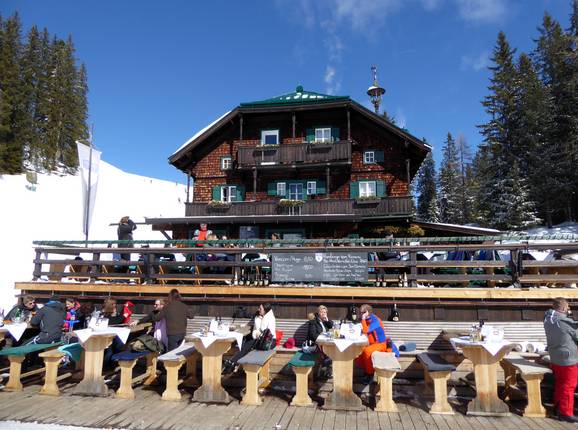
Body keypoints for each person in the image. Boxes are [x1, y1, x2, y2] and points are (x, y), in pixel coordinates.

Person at [544, 298, 578, 423]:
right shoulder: (564, 322)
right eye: (567, 307)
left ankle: (558, 408)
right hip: (568, 358)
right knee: (569, 385)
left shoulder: (548, 319)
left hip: (555, 357)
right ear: (564, 308)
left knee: (560, 383)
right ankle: (566, 413)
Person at [223, 303, 276, 374]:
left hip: (269, 341)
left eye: (260, 309)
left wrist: (258, 333)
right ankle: (233, 363)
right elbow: (255, 329)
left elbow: (268, 333)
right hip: (259, 339)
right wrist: (256, 333)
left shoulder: (270, 318)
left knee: (248, 345)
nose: (258, 309)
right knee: (247, 344)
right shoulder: (257, 317)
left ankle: (233, 363)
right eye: (259, 308)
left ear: (265, 310)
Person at [355, 304, 389, 380]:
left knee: (367, 351)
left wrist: (363, 319)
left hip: (380, 344)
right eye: (360, 312)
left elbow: (365, 330)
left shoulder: (375, 320)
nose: (361, 314)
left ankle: (370, 374)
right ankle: (365, 371)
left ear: (367, 312)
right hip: (370, 343)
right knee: (358, 351)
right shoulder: (365, 320)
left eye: (363, 312)